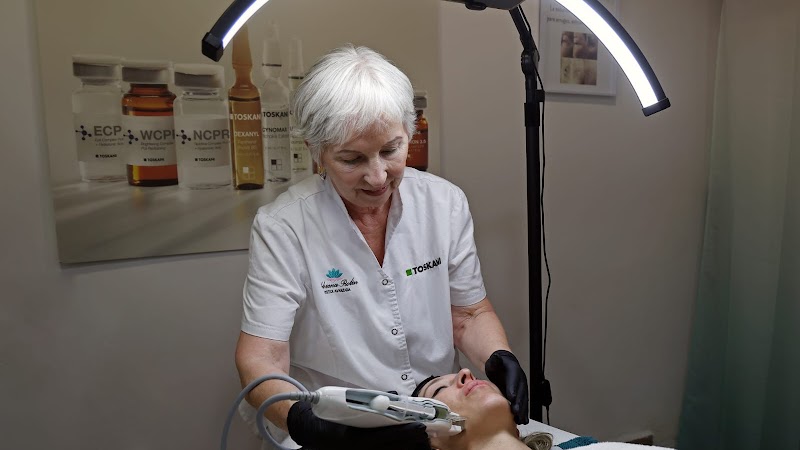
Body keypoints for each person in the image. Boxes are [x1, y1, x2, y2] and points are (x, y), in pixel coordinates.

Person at [235, 44, 528, 450]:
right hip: (336, 430)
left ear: (410, 131)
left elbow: (468, 314)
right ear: (316, 151)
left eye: (391, 150)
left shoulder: (444, 204)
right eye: (352, 159)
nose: (377, 177)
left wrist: (499, 356)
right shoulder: (284, 227)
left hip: (439, 428)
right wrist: (305, 422)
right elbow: (261, 359)